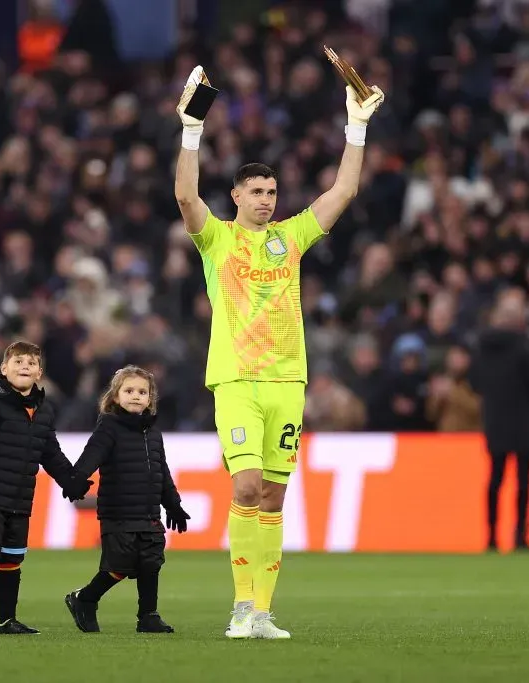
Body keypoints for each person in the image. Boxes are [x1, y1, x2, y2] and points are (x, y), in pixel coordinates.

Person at [173, 65, 384, 639]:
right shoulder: (216, 237)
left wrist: (355, 128)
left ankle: (262, 612)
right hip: (237, 380)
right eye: (257, 192)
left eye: (272, 192)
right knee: (244, 488)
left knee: (272, 497)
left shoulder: (291, 237)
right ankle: (241, 607)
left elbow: (344, 191)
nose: (267, 200)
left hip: (288, 382)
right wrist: (191, 130)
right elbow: (185, 197)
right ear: (236, 195)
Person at [0, 341, 92, 635]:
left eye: (31, 363)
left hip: (20, 496)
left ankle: (7, 620)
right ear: (4, 368)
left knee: (12, 556)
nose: (24, 367)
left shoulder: (43, 410)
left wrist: (71, 481)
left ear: (40, 372)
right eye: (18, 362)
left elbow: (50, 453)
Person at [63, 365, 189, 633]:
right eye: (129, 390)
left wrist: (174, 504)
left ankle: (148, 615)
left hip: (149, 512)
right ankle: (85, 598)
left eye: (142, 392)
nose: (136, 396)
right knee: (119, 565)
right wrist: (76, 478)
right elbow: (91, 455)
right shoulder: (109, 427)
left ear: (150, 398)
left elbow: (161, 471)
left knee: (151, 562)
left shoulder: (153, 432)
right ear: (115, 396)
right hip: (118, 511)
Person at [472, 295, 529, 552]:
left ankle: (491, 536)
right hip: (523, 420)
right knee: (523, 482)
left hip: (496, 420)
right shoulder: (525, 347)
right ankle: (520, 537)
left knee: (495, 479)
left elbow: (475, 382)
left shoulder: (482, 346)